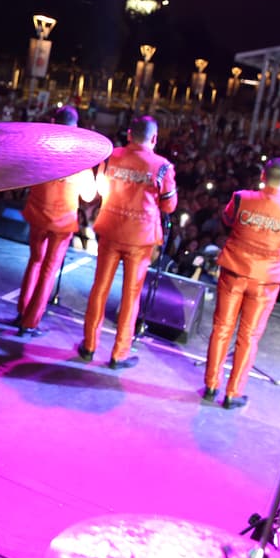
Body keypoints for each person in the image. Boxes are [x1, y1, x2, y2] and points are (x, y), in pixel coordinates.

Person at [202, 158, 280, 410]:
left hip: (234, 272)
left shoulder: (240, 198)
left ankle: (210, 385)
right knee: (248, 337)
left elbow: (228, 221)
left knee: (221, 329)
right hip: (266, 281)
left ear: (262, 175)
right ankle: (233, 393)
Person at [77, 115, 177, 369]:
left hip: (111, 229)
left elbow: (100, 189)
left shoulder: (111, 156)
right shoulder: (163, 166)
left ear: (129, 134)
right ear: (154, 139)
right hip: (140, 238)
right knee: (131, 296)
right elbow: (169, 205)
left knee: (100, 288)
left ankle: (89, 345)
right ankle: (119, 353)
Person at [12, 107, 96, 336]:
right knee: (48, 271)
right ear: (75, 127)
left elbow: (26, 175)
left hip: (38, 215)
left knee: (35, 262)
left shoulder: (40, 148)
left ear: (53, 122)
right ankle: (30, 322)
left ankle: (22, 311)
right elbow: (89, 195)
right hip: (62, 223)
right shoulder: (81, 156)